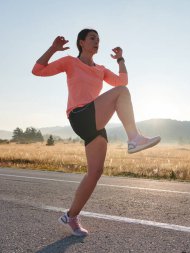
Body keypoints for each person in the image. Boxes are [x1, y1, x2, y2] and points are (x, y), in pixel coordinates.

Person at [32, 28, 161, 237]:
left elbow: (122, 81)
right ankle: (134, 138)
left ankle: (71, 217)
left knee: (95, 173)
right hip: (80, 115)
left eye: (99, 39)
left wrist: (120, 59)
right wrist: (53, 49)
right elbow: (37, 70)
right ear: (81, 42)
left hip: (95, 121)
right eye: (92, 38)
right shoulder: (69, 62)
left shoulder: (100, 69)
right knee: (121, 94)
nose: (97, 42)